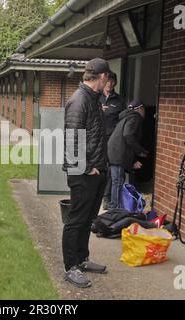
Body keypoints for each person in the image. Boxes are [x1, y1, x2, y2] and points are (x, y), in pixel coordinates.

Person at [62, 58, 110, 288]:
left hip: (96, 171)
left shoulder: (93, 99)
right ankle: (71, 267)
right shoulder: (79, 100)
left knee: (87, 219)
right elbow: (72, 140)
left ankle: (81, 259)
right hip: (83, 174)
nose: (107, 82)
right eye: (107, 78)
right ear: (102, 77)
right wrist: (87, 167)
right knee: (76, 220)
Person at [107, 99, 148, 210]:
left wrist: (133, 160)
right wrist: (140, 151)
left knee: (116, 181)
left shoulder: (126, 116)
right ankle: (114, 209)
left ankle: (115, 207)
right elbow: (128, 136)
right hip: (118, 154)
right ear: (140, 108)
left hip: (114, 151)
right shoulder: (135, 117)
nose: (144, 112)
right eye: (144, 109)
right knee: (117, 181)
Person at [99, 72, 125, 210]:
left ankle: (107, 198)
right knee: (98, 169)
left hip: (113, 141)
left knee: (111, 171)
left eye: (112, 81)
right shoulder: (96, 97)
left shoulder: (120, 101)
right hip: (97, 140)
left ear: (115, 83)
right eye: (107, 81)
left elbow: (123, 122)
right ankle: (98, 196)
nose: (109, 84)